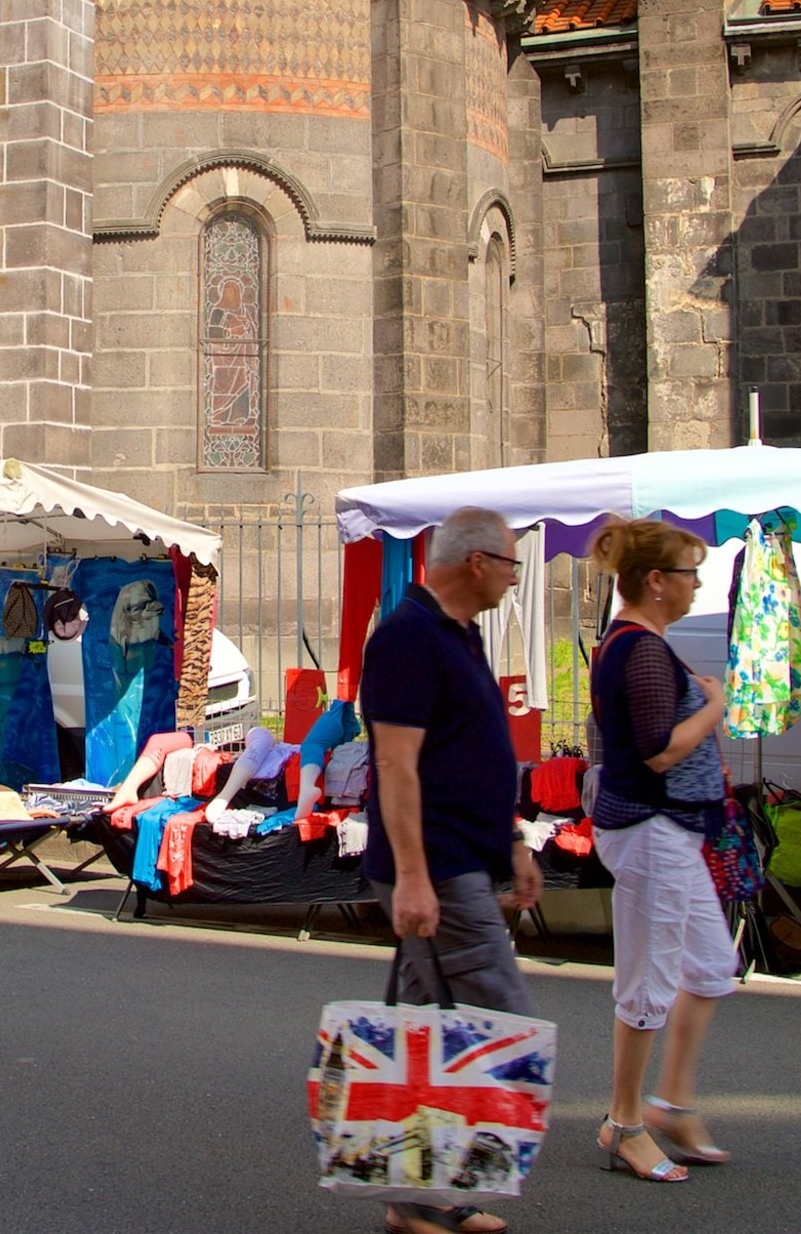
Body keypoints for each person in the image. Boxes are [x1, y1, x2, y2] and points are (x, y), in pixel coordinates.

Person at [358, 506, 538, 1234]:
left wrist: (515, 840)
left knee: (423, 1025)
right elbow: (395, 763)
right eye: (511, 563)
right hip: (437, 863)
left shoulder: (457, 635)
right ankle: (426, 1193)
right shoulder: (408, 637)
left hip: (463, 857)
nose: (513, 576)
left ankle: (421, 1195)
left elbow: (474, 752)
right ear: (476, 563)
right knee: (498, 1017)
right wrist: (412, 877)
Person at [585, 516, 736, 1183]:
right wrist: (714, 707)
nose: (696, 586)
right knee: (647, 981)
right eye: (688, 574)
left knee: (707, 966)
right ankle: (624, 1123)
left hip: (670, 828)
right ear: (655, 582)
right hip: (650, 828)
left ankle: (670, 1103)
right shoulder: (640, 649)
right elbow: (657, 751)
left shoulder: (644, 645)